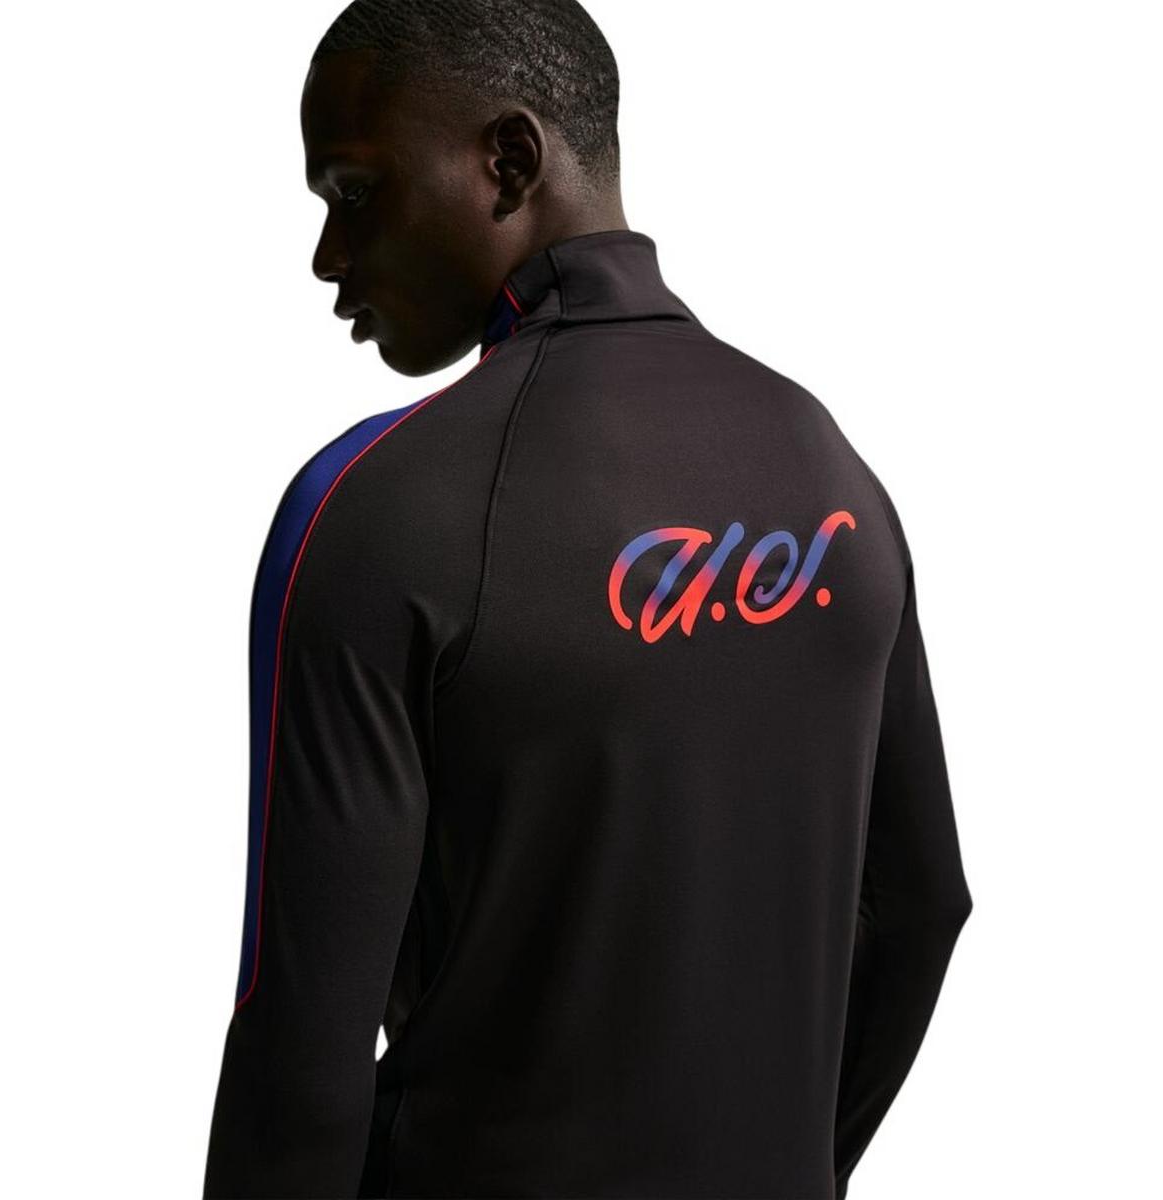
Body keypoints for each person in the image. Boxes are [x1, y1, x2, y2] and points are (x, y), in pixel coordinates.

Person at [202, 2, 973, 1197]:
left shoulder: (376, 512)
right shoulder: (828, 464)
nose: (328, 256)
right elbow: (921, 907)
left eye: (353, 192)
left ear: (509, 162)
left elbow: (301, 1051)